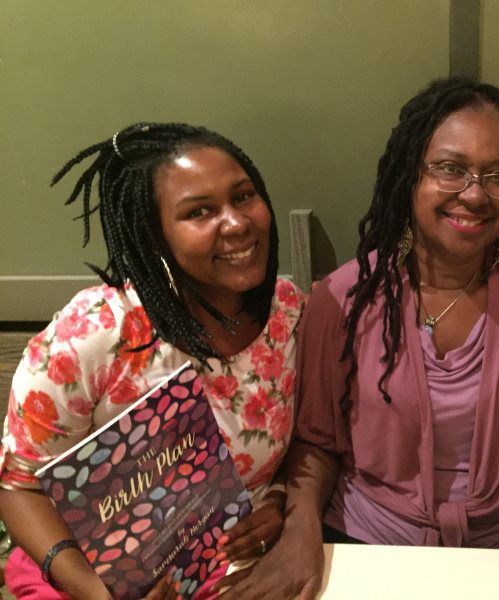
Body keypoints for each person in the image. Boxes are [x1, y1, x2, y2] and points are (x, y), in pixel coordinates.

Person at [229, 78, 499, 599]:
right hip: (368, 545)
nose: (475, 194)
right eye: (450, 168)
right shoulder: (343, 298)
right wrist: (300, 532)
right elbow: (317, 441)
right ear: (408, 174)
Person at [0, 123, 304, 598]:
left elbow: (303, 438)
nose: (236, 221)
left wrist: (279, 501)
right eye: (199, 211)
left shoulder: (287, 313)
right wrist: (95, 589)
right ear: (155, 235)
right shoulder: (95, 334)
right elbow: (19, 487)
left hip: (242, 569)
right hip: (90, 576)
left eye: (243, 196)